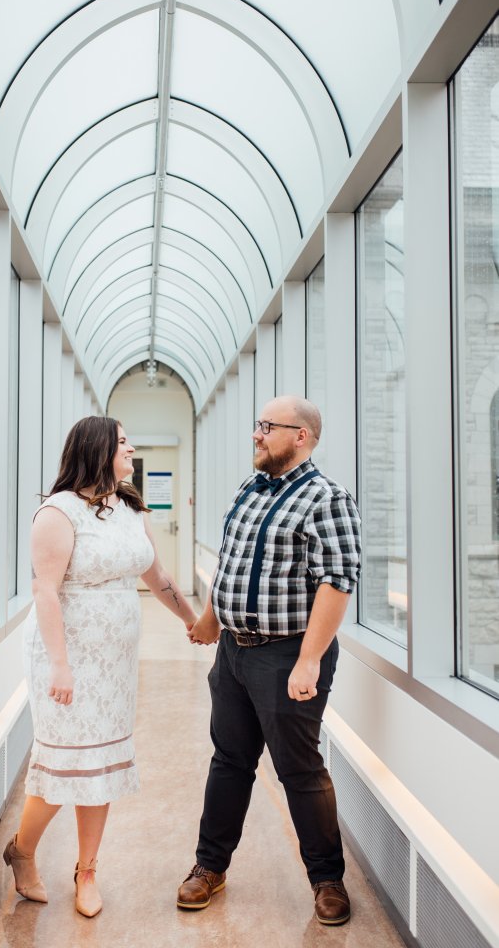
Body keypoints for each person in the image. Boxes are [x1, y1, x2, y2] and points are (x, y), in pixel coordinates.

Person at [4, 415, 198, 917]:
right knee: (65, 761)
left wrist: (192, 620)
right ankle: (22, 851)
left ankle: (86, 870)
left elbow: (156, 575)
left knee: (101, 767)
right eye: (123, 442)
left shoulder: (132, 506)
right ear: (96, 450)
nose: (131, 449)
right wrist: (60, 667)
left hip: (115, 661)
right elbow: (45, 591)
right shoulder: (57, 512)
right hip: (65, 654)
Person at [179, 396, 361, 926]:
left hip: (287, 656)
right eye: (257, 424)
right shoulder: (249, 490)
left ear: (300, 436)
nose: (256, 434)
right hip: (234, 653)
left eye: (267, 427)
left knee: (300, 770)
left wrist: (309, 661)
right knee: (229, 760)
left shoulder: (326, 499)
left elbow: (336, 582)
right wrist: (214, 615)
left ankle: (327, 881)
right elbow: (230, 560)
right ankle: (209, 867)